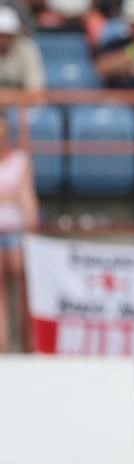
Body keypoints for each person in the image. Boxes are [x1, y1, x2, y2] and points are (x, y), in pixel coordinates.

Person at [0, 114, 38, 352]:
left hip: (15, 232)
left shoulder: (20, 161)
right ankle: (2, 348)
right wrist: (10, 196)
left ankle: (28, 346)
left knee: (23, 285)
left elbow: (27, 200)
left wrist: (31, 231)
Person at [0, 5, 44, 90]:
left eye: (8, 36)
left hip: (21, 102)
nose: (4, 40)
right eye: (1, 36)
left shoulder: (27, 49)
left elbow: (35, 86)